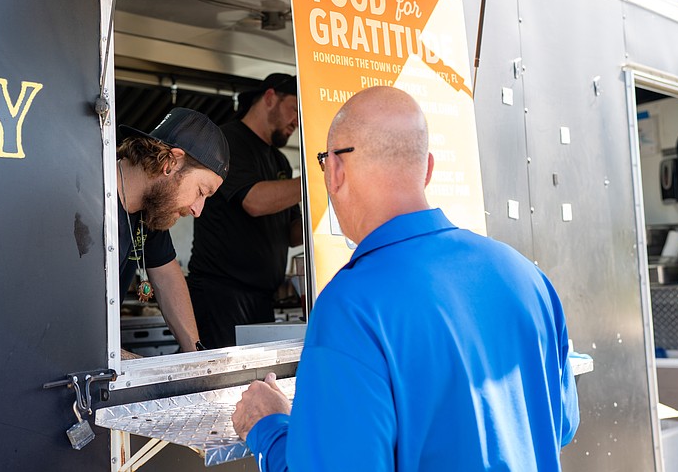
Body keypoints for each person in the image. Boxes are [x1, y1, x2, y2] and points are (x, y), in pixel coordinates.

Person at [231, 86, 580, 471]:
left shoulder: (351, 307)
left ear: (334, 171)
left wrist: (268, 427)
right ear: (427, 170)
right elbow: (560, 425)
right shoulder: (528, 278)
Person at [188, 73, 303, 348]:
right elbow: (253, 201)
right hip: (221, 295)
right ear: (270, 97)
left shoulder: (281, 162)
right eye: (294, 110)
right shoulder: (228, 141)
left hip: (263, 298)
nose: (297, 122)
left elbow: (293, 234)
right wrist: (315, 183)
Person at [117, 107, 229, 356]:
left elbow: (167, 276)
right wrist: (123, 361)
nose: (198, 210)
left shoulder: (151, 210)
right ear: (172, 162)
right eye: (201, 191)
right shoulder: (90, 200)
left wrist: (196, 354)